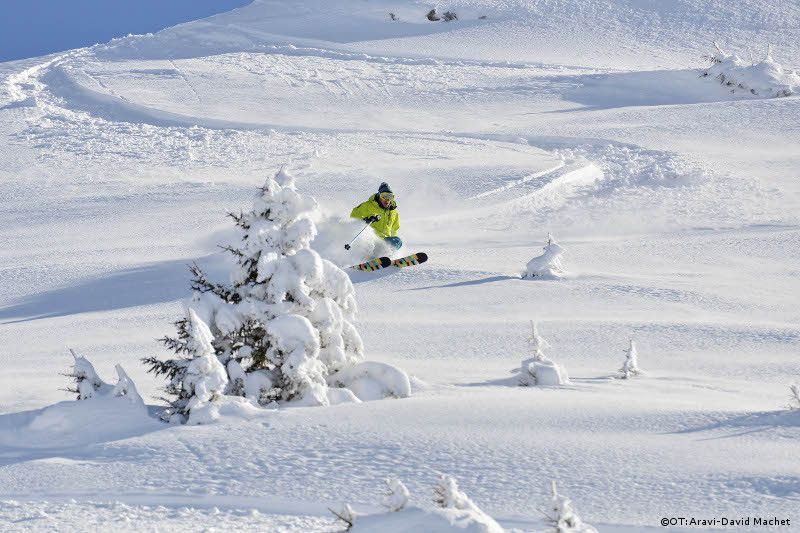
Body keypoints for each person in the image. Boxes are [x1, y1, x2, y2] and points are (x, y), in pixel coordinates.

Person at [350, 182, 402, 250]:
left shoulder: (394, 212)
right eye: (384, 196)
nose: (387, 200)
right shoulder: (367, 206)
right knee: (369, 245)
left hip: (384, 242)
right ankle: (368, 256)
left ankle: (386, 257)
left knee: (397, 241)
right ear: (379, 195)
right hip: (369, 241)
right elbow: (352, 220)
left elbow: (394, 229)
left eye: (390, 197)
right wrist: (366, 220)